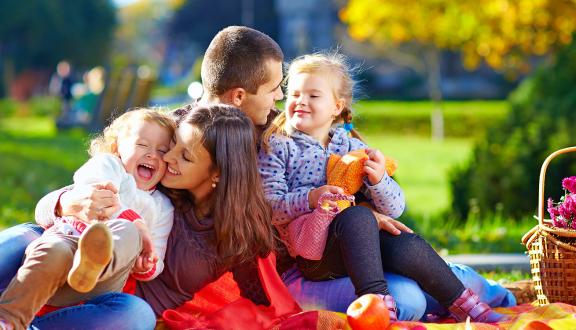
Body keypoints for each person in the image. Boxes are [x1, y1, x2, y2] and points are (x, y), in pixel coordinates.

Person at [0, 25, 514, 326]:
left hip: (304, 256)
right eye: (275, 90)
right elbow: (109, 171)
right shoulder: (180, 141)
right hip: (135, 268)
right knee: (29, 238)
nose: (283, 102)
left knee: (406, 279)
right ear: (240, 97)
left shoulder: (269, 139)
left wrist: (355, 209)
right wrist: (67, 201)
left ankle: (480, 292)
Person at [257, 52, 506, 323]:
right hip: (313, 255)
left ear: (337, 106)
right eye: (294, 94)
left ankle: (466, 305)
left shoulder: (352, 147)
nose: (301, 101)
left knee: (404, 242)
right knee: (358, 216)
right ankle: (376, 305)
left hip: (360, 250)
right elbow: (270, 207)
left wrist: (379, 181)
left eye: (313, 96)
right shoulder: (279, 146)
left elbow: (396, 209)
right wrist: (311, 198)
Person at [0, 108, 175, 329]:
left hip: (104, 277)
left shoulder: (163, 207)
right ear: (116, 147)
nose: (152, 154)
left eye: (162, 151)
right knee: (52, 249)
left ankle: (94, 263)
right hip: (68, 239)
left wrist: (147, 265)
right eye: (142, 145)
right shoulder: (109, 166)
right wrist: (135, 220)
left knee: (129, 233)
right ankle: (9, 320)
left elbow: (156, 251)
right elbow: (94, 191)